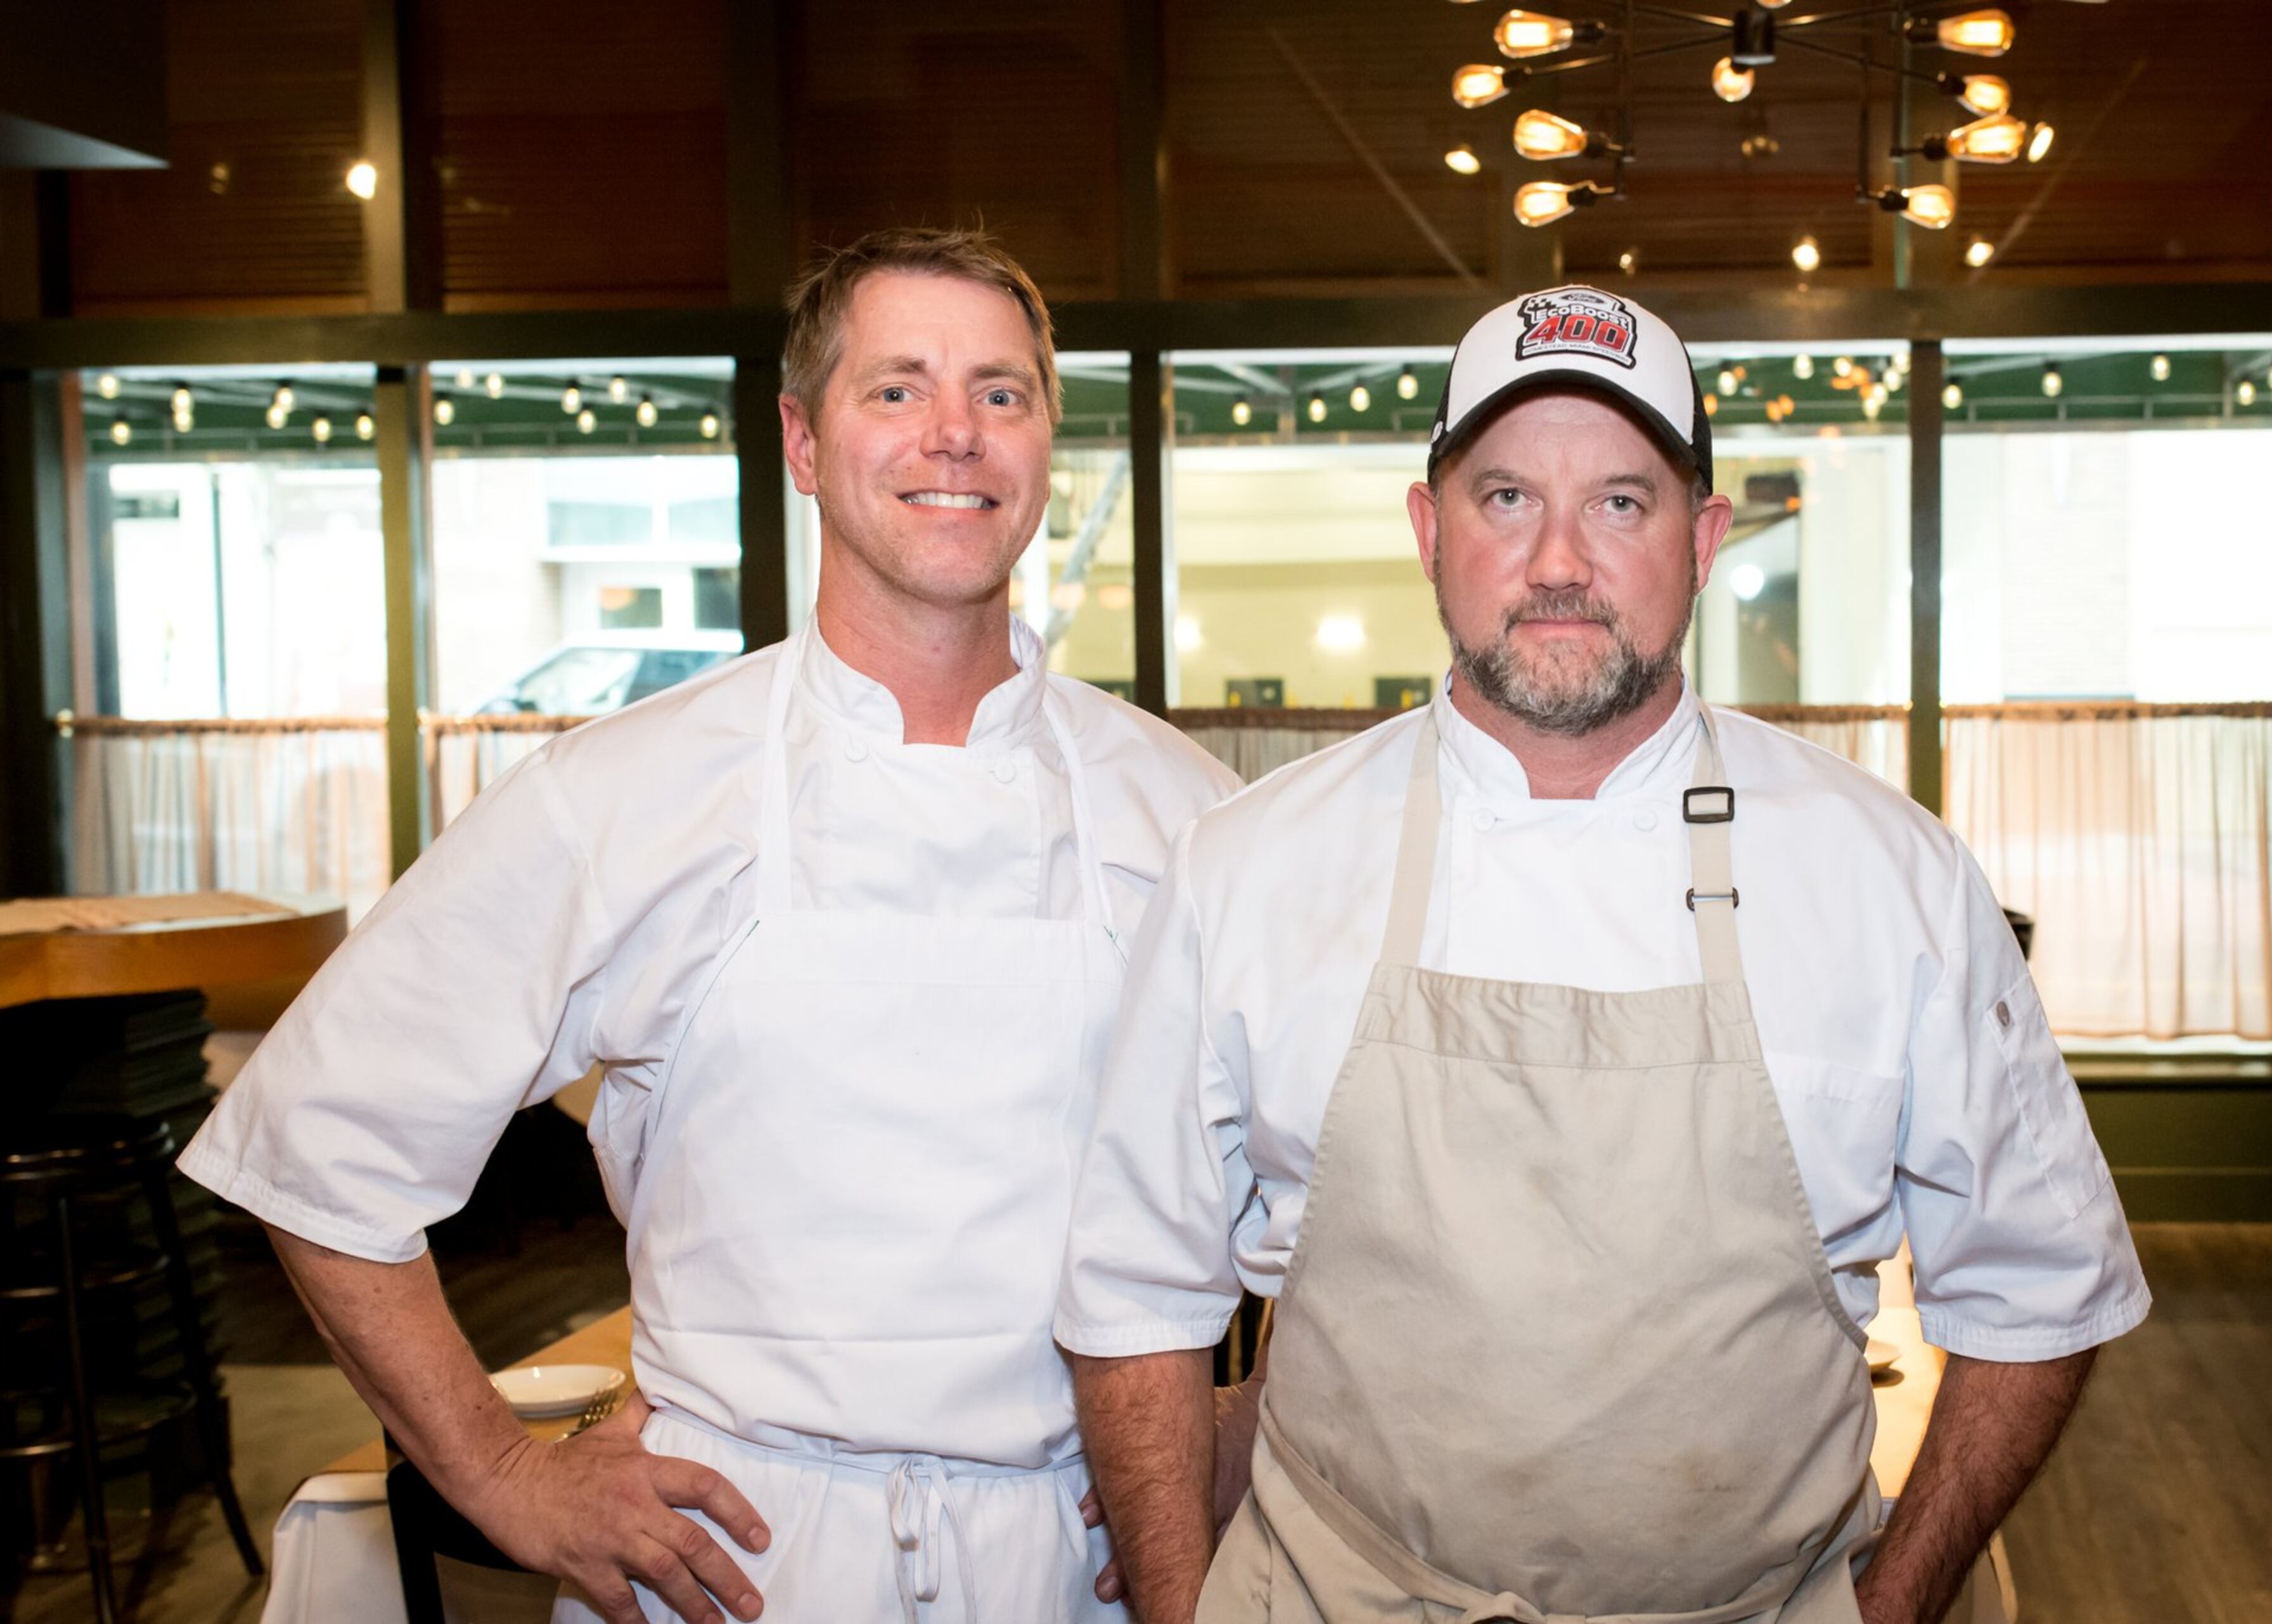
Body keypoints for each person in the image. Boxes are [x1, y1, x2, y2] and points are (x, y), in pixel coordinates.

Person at [178, 226, 1237, 1624]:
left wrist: (1231, 1437)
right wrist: (502, 1470)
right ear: (803, 441)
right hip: (738, 1557)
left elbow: (1345, 1207)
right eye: (897, 387)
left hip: (1074, 1557)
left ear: (1048, 437)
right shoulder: (628, 788)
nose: (955, 435)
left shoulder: (1188, 814)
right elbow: (321, 1144)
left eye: (1000, 392)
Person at [1055, 285, 2151, 1624]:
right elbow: (1134, 1295)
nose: (1559, 560)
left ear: (1702, 540)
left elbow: (2042, 1287)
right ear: (1428, 530)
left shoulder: (1889, 875)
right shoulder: (1251, 866)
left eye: (1621, 504)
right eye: (1507, 498)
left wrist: (1901, 1597)